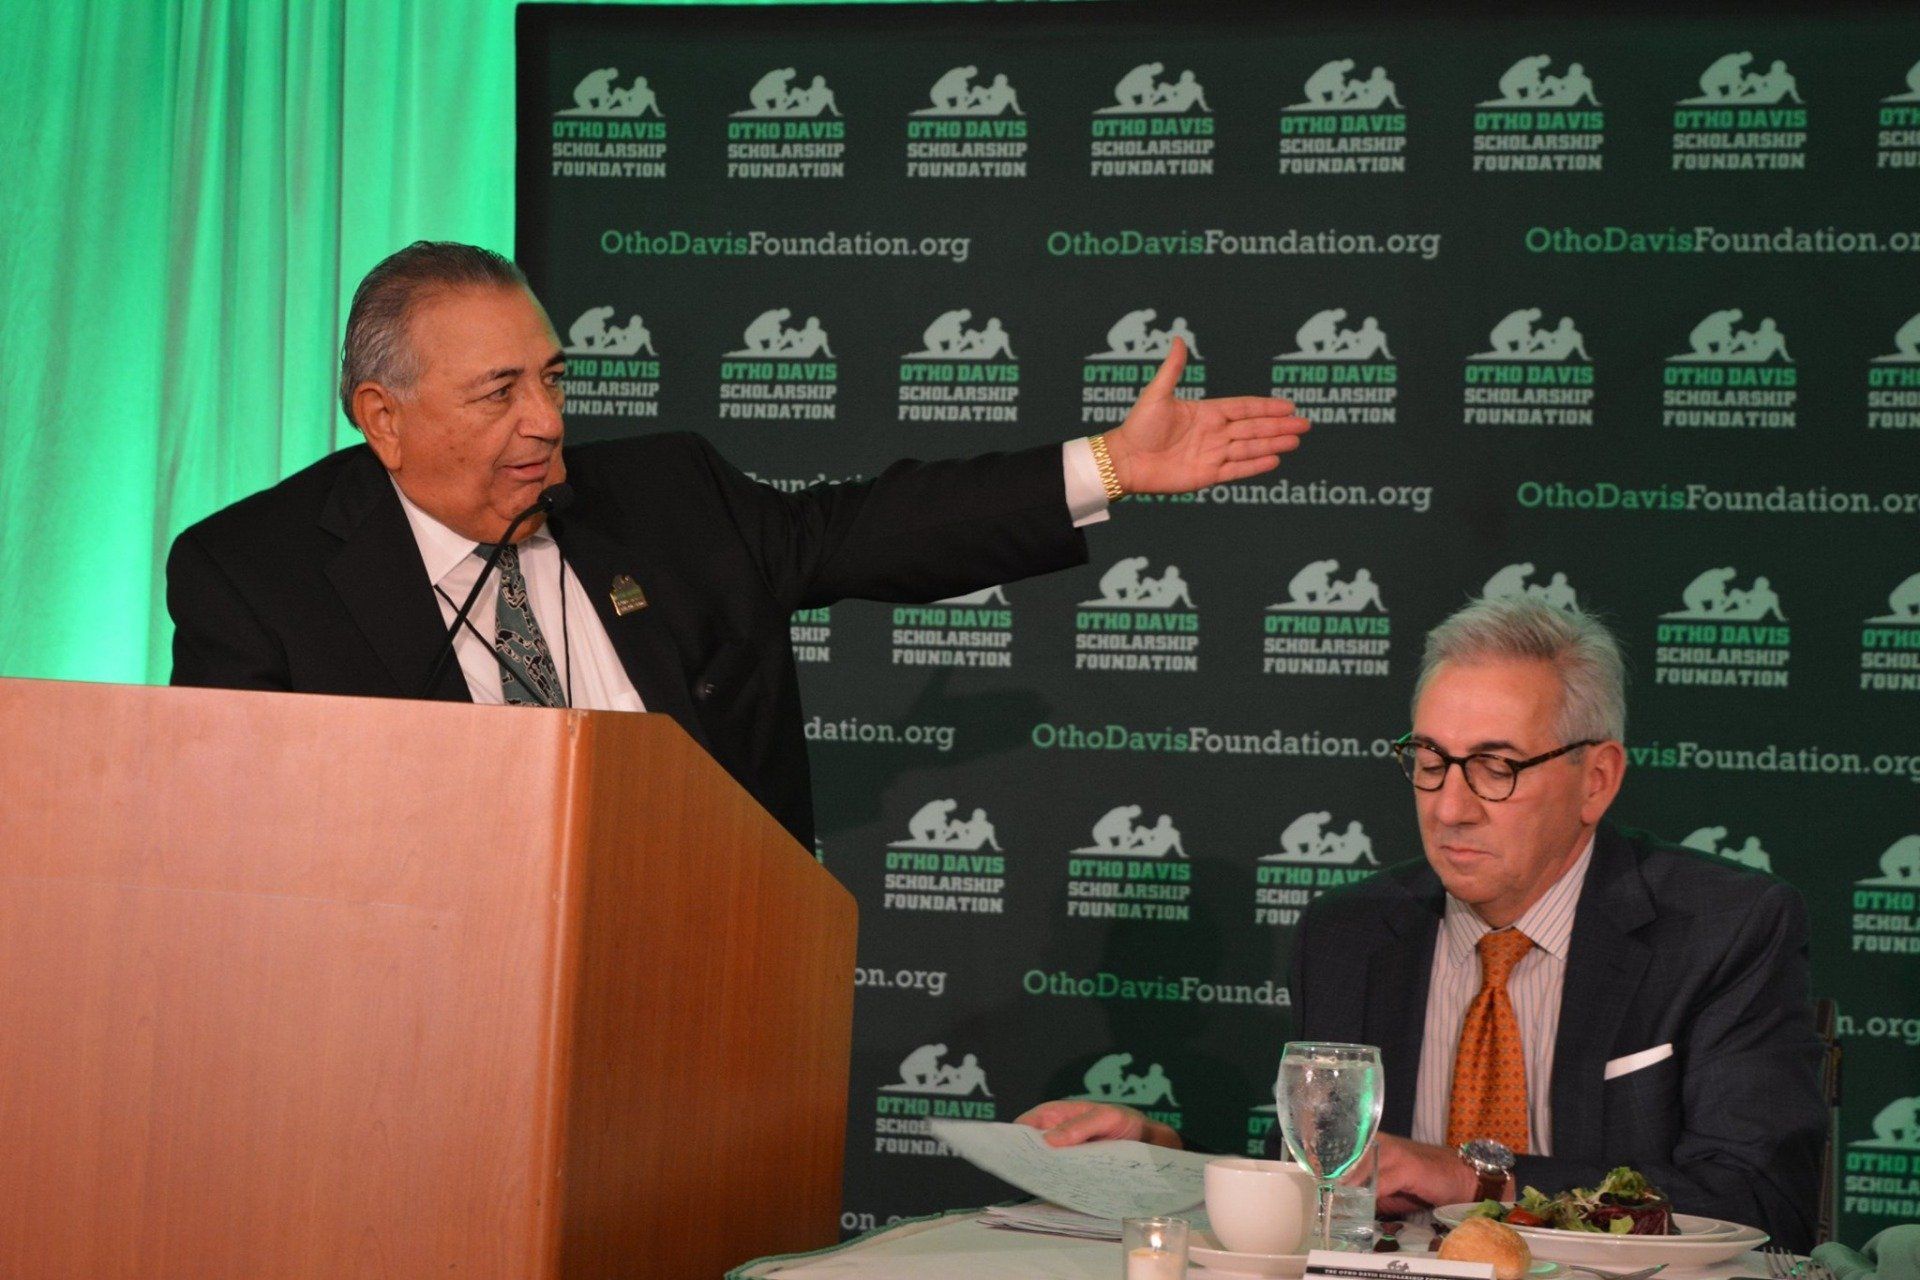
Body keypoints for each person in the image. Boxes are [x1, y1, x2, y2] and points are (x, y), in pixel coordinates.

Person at [166, 242, 1310, 849]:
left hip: (701, 981)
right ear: (383, 417)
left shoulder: (664, 499)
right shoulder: (258, 575)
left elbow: (868, 527)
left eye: (555, 377)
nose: (548, 421)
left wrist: (1110, 462)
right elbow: (226, 834)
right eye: (500, 391)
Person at [1017, 597, 1823, 1251]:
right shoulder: (1351, 935)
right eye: (1431, 762)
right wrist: (1156, 1159)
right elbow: (1319, 1185)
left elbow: (1758, 1199)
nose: (1449, 806)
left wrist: (1479, 1181)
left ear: (1596, 780)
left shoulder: (1723, 929)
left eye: (1496, 768)